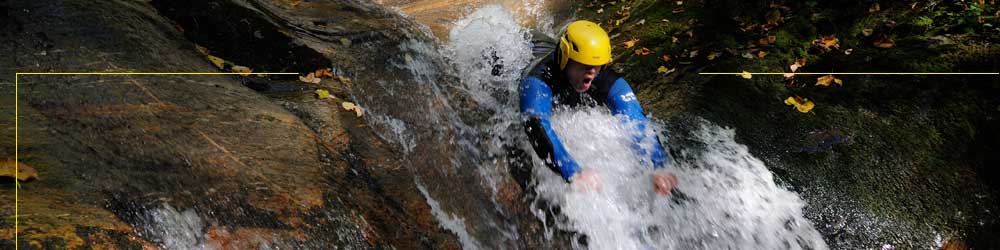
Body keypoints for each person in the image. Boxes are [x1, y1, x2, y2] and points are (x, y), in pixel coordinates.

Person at [520, 20, 678, 196]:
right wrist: (573, 172)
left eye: (596, 66)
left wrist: (658, 165)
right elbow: (536, 125)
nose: (591, 73)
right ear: (566, 58)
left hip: (547, 45)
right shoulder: (538, 81)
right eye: (584, 64)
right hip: (523, 50)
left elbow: (635, 120)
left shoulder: (608, 80)